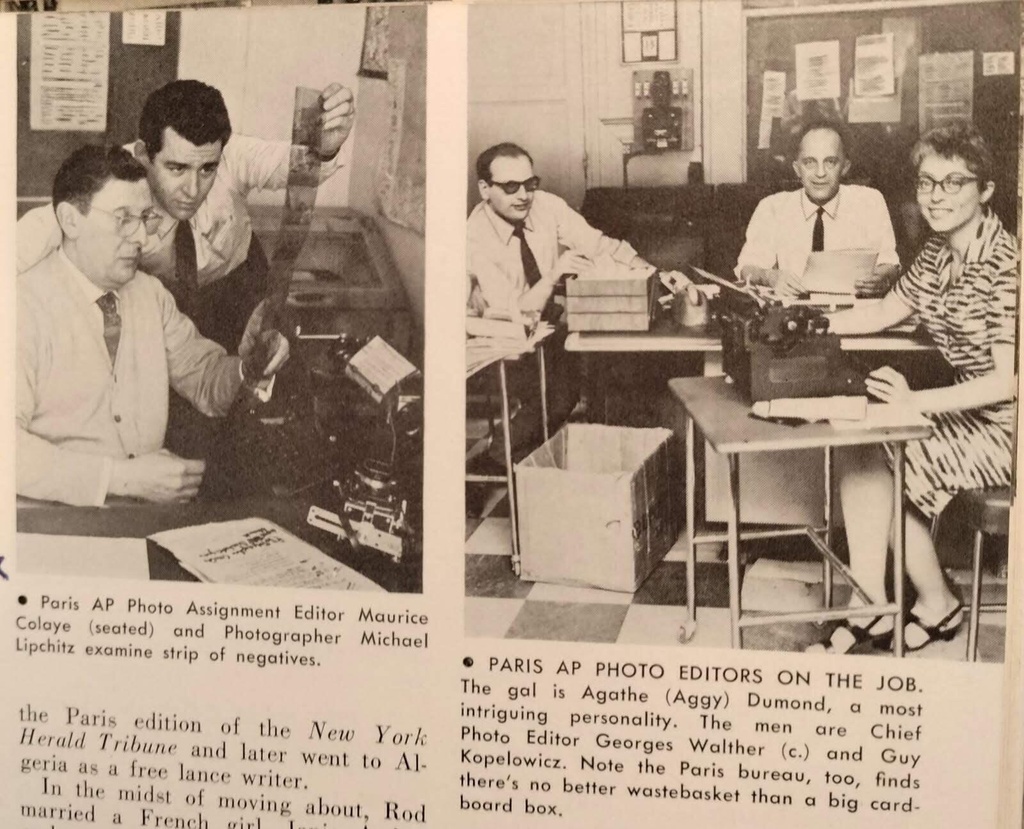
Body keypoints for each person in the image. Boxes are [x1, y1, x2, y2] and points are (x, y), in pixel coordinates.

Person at [807, 122, 1018, 655]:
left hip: (1009, 427)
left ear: (985, 190)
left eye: (954, 183)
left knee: (894, 453)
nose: (936, 197)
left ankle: (883, 607)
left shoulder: (1005, 265)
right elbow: (884, 310)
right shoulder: (936, 254)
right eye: (927, 183)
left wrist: (914, 402)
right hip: (970, 413)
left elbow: (1007, 381)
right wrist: (805, 321)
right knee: (860, 446)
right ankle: (906, 603)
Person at [17, 145, 290, 508]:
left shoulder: (149, 294)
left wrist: (249, 365)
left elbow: (206, 381)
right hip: (51, 527)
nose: (142, 239)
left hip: (142, 521)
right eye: (122, 218)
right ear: (70, 220)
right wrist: (121, 479)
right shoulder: (20, 305)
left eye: (144, 218)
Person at [17, 78, 355, 351]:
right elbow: (46, 226)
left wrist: (324, 147)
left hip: (241, 282)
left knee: (269, 377)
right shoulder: (118, 174)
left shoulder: (233, 155)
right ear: (143, 154)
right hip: (167, 302)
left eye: (207, 169)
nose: (192, 189)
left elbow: (294, 164)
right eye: (176, 168)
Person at [467, 142, 667, 318]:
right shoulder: (473, 239)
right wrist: (554, 274)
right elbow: (516, 313)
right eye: (511, 186)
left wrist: (658, 278)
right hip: (507, 339)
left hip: (551, 323)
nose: (524, 196)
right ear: (485, 189)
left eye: (529, 184)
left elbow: (600, 246)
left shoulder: (546, 204)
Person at [736, 119, 901, 297]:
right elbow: (746, 268)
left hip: (854, 313)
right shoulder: (772, 208)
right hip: (793, 314)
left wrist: (879, 278)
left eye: (830, 162)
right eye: (809, 163)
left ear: (845, 167)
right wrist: (770, 277)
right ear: (797, 168)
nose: (820, 173)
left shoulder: (869, 202)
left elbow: (890, 264)